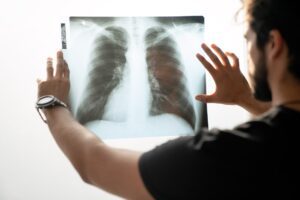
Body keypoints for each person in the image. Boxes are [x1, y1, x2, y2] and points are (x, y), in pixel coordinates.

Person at [36, 0, 300, 199]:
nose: (249, 54)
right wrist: (249, 102)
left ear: (274, 44)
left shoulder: (223, 156)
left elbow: (93, 164)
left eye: (249, 41)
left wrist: (52, 104)